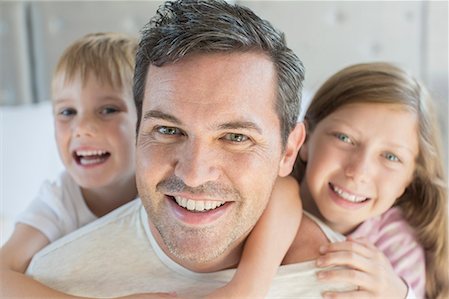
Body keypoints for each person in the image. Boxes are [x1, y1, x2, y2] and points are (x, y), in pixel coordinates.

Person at [23, 0, 357, 298]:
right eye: (168, 130)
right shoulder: (55, 278)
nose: (194, 175)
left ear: (288, 151)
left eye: (236, 137)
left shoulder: (353, 285)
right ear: (137, 134)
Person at [0, 32, 174, 299]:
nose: (81, 129)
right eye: (67, 112)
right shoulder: (60, 201)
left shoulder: (167, 186)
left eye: (108, 110)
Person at [289, 62, 448, 299]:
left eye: (390, 156)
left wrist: (398, 294)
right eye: (344, 138)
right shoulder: (271, 193)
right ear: (304, 139)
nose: (359, 171)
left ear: (409, 180)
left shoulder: (397, 243)